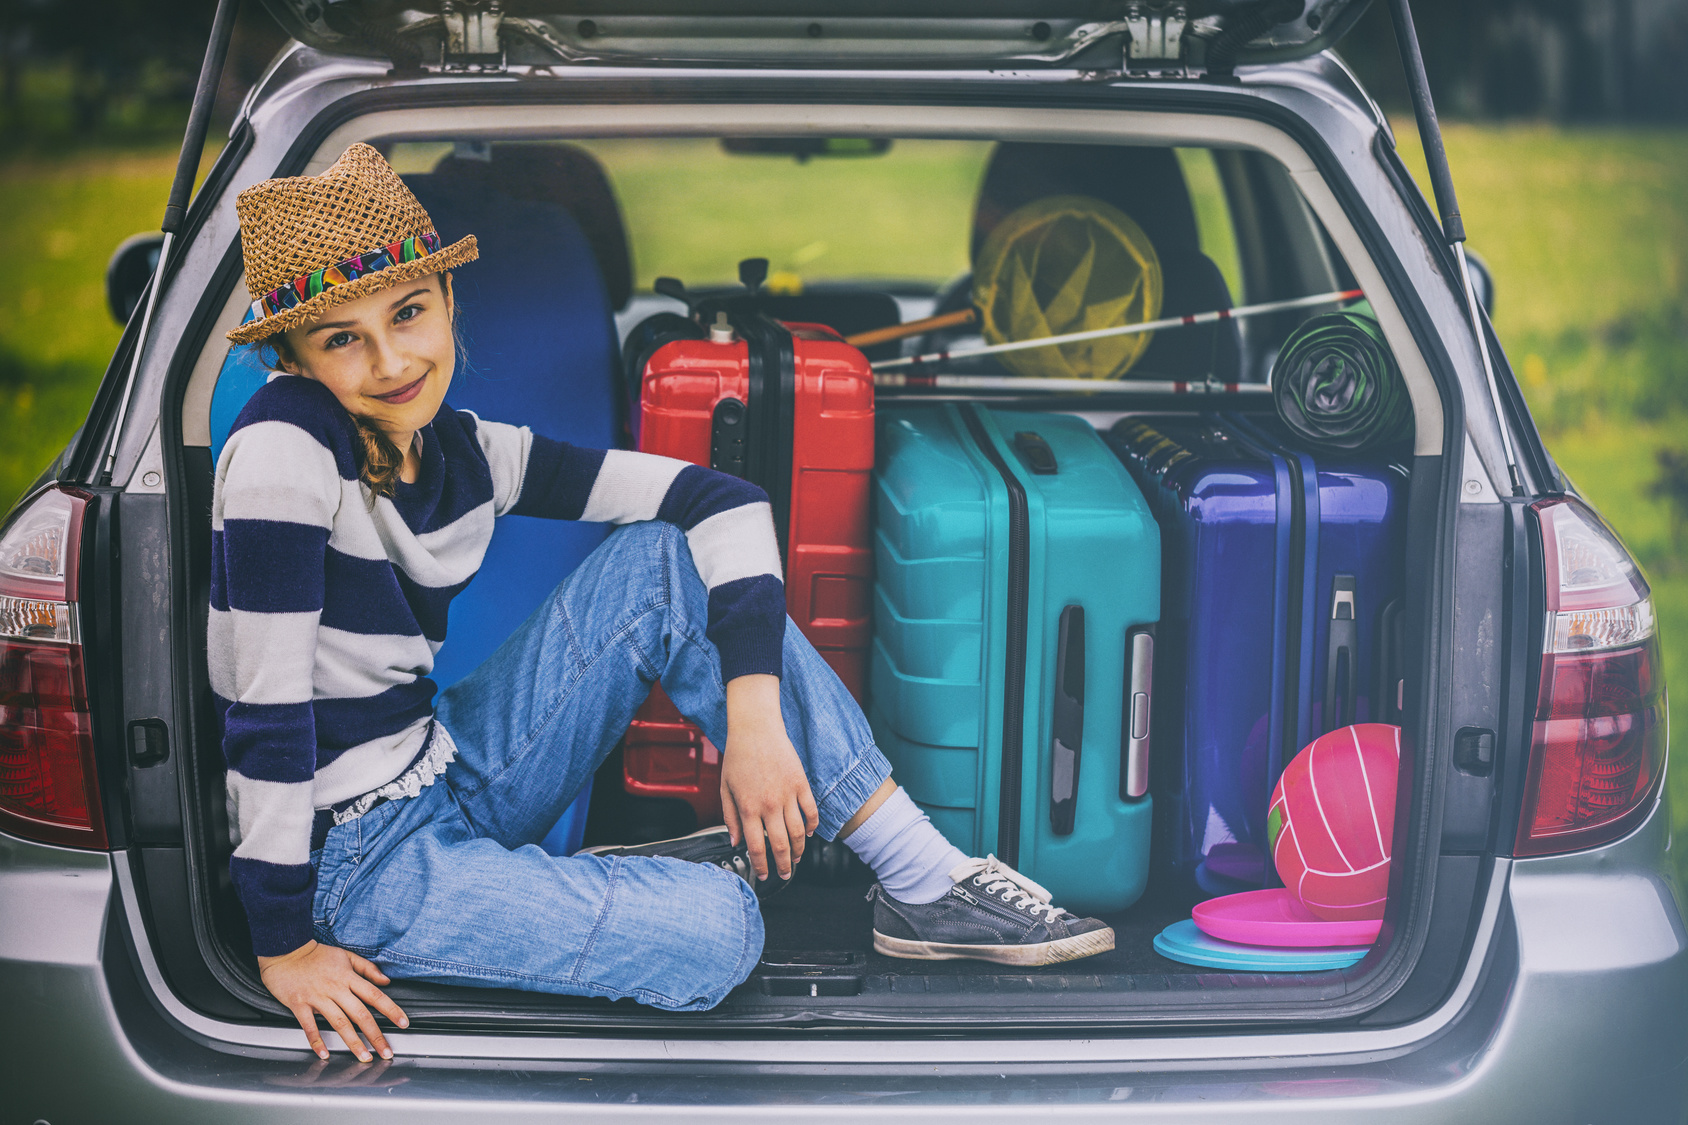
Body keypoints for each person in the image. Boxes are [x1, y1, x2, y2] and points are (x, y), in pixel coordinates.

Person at [214, 143, 1114, 1062]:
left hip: (439, 769)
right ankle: (567, 889)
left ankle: (926, 878)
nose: (390, 358)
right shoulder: (284, 448)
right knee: (720, 934)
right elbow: (266, 716)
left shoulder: (465, 449)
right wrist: (284, 945)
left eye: (408, 313)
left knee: (657, 562)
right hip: (353, 865)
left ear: (448, 302)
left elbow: (719, 501)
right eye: (341, 338)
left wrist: (755, 719)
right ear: (290, 359)